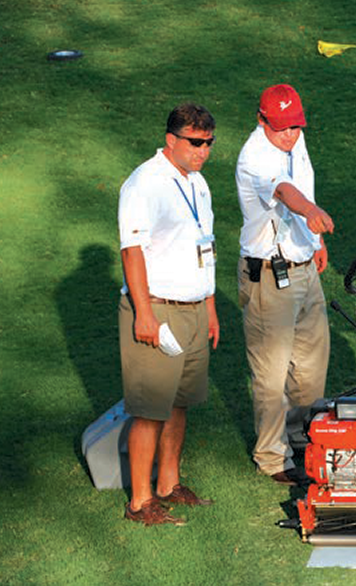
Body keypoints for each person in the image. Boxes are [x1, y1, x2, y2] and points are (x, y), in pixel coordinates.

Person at [118, 103, 219, 525]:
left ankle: (168, 484)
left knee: (179, 404)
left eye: (209, 143)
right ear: (171, 140)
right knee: (149, 410)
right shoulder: (144, 183)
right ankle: (140, 502)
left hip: (194, 310)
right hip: (158, 309)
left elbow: (206, 246)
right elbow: (132, 250)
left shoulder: (197, 183)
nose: (203, 151)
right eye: (195, 143)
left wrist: (210, 308)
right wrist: (143, 313)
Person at [236, 84, 334, 485]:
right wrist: (311, 212)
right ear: (262, 121)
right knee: (271, 373)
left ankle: (301, 443)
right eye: (281, 128)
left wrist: (316, 241)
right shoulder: (254, 156)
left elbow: (302, 183)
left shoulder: (297, 139)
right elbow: (287, 192)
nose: (290, 134)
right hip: (268, 276)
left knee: (311, 367)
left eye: (295, 125)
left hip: (304, 267)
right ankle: (272, 457)